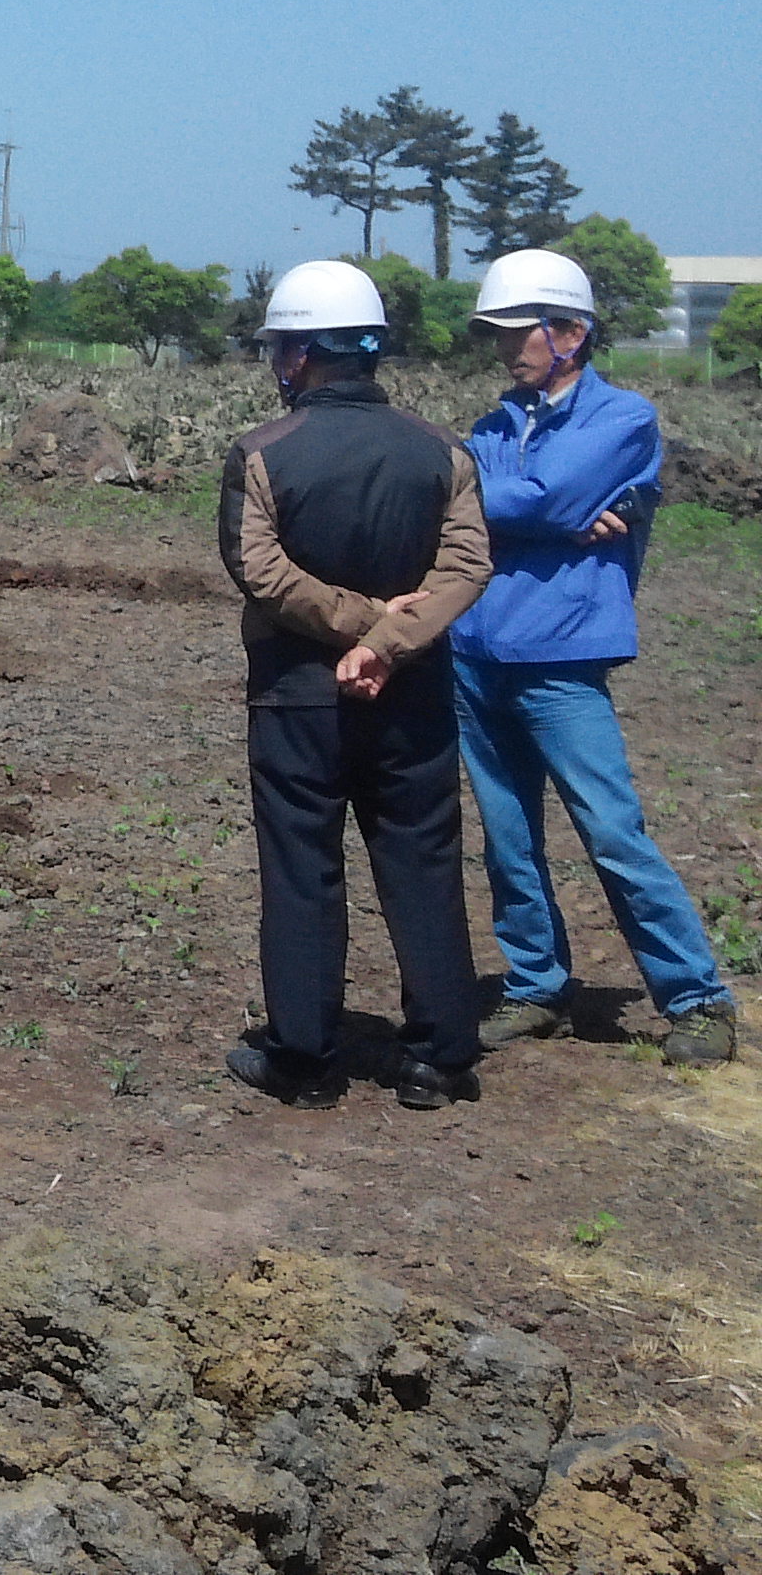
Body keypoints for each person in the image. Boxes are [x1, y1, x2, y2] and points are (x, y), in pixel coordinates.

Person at [213, 260, 494, 1110]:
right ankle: (440, 1057)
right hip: (411, 698)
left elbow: (257, 569)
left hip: (298, 698)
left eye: (279, 350)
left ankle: (304, 1058)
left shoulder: (261, 455)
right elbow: (468, 564)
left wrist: (354, 627)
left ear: (298, 356)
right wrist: (391, 639)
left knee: (302, 867)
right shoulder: (445, 452)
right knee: (423, 860)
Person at [449, 248, 735, 1067]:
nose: (505, 350)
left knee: (612, 831)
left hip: (562, 657)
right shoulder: (493, 426)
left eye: (517, 334)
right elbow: (487, 505)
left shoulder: (624, 419)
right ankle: (536, 984)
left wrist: (528, 507)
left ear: (569, 333)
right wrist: (539, 513)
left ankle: (697, 997)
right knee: (506, 836)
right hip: (475, 649)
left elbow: (531, 497)